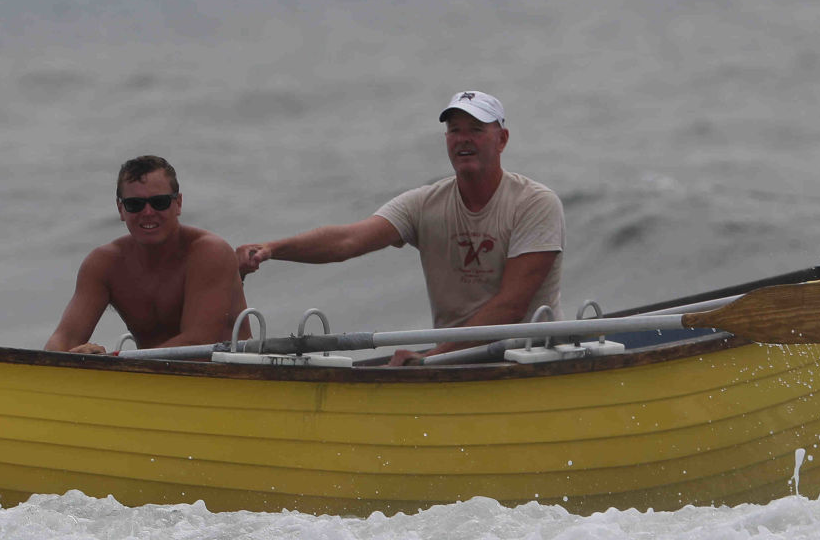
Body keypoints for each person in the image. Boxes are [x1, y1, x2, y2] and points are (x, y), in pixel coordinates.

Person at [236, 90, 563, 365]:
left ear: (502, 139)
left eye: (476, 129)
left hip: (529, 360)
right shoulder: (424, 203)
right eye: (455, 130)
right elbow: (348, 240)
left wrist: (434, 356)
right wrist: (272, 249)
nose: (463, 139)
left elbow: (511, 306)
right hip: (451, 364)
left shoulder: (535, 203)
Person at [46, 155, 249, 354]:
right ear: (120, 208)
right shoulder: (104, 263)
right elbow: (64, 339)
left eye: (159, 202)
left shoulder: (210, 252)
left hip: (227, 378)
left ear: (178, 203)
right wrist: (65, 355)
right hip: (149, 377)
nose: (148, 212)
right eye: (135, 204)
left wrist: (113, 362)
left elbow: (198, 342)